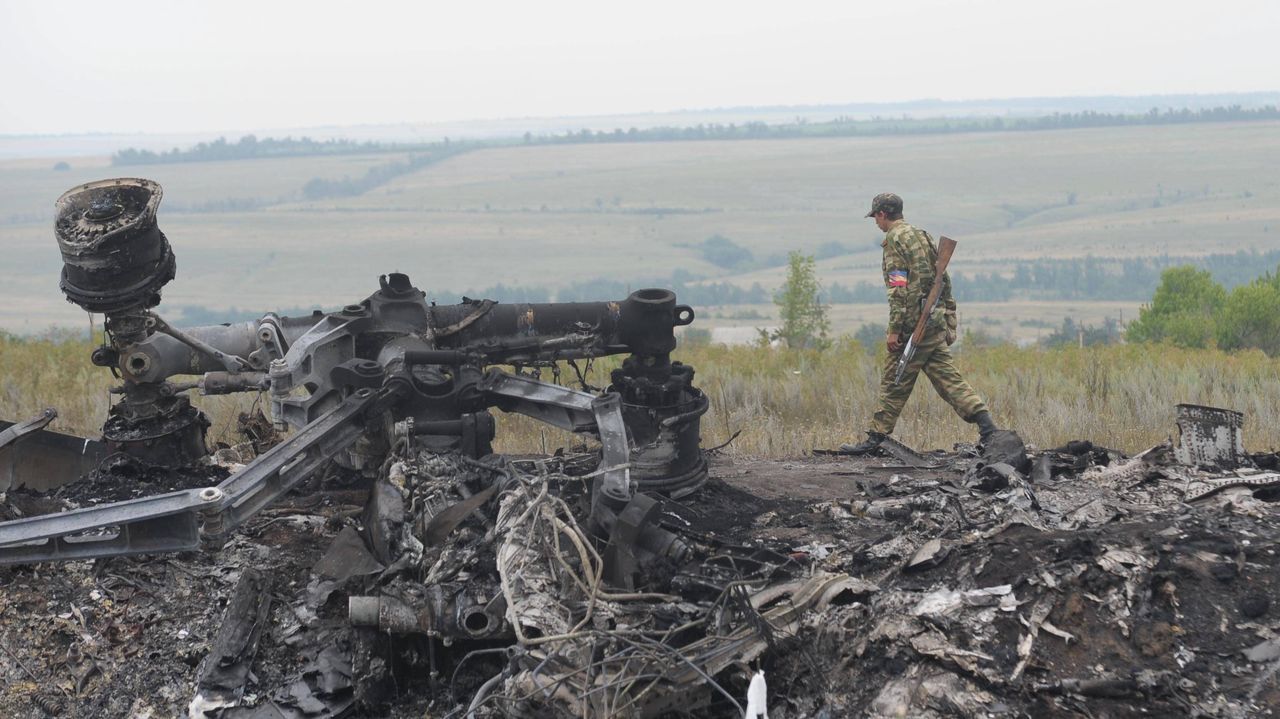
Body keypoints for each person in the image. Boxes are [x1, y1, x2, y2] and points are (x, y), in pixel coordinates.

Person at [841, 193, 999, 454]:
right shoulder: (921, 236)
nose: (876, 223)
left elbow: (898, 290)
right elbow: (943, 280)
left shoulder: (894, 241)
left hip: (913, 327)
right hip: (931, 321)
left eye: (876, 217)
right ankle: (989, 428)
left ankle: (875, 439)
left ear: (882, 214)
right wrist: (948, 318)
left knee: (895, 380)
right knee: (949, 380)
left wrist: (895, 330)